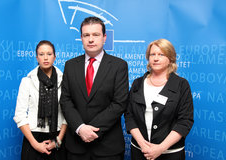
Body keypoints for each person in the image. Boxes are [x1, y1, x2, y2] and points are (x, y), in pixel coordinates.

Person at [60, 16, 129, 160]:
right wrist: (80, 128)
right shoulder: (70, 65)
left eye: (96, 35)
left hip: (108, 148)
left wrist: (90, 130)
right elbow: (66, 101)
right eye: (86, 35)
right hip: (76, 147)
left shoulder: (119, 66)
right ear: (81, 38)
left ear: (104, 37)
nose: (91, 39)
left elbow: (119, 103)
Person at [124, 39, 194, 160]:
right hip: (140, 151)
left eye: (161, 54)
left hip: (170, 154)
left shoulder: (181, 85)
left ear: (170, 58)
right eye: (152, 54)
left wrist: (160, 148)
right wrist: (142, 144)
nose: (156, 58)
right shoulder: (137, 83)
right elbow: (129, 115)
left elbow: (185, 121)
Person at [13, 40, 67, 160]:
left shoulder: (64, 81)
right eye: (41, 54)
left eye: (49, 54)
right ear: (37, 57)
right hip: (33, 137)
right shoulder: (27, 81)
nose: (45, 58)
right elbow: (19, 115)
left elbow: (67, 114)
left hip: (57, 137)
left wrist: (58, 141)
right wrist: (35, 144)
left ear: (55, 57)